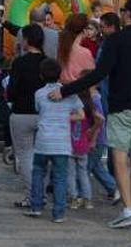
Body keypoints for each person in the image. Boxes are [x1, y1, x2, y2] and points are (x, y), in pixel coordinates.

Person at [49, 0, 131, 229]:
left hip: (122, 107)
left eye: (123, 10)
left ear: (128, 14)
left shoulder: (116, 40)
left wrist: (66, 89)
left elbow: (98, 73)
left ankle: (128, 209)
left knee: (120, 157)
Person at [26, 58, 84, 223]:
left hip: (43, 140)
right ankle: (59, 213)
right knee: (60, 177)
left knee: (38, 172)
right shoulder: (70, 93)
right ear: (60, 74)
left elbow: (39, 110)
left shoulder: (39, 94)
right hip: (62, 142)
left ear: (41, 76)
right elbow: (81, 115)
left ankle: (36, 206)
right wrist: (66, 117)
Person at [7, 23, 47, 208]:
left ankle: (32, 195)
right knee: (42, 156)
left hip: (22, 112)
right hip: (44, 114)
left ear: (27, 40)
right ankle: (42, 193)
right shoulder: (47, 62)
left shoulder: (19, 63)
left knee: (25, 156)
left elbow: (11, 91)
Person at [68, 75, 101, 211]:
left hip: (69, 145)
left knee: (70, 174)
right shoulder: (90, 108)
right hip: (83, 145)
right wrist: (92, 134)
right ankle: (87, 200)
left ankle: (74, 199)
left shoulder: (72, 107)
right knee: (83, 173)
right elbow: (101, 119)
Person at [88, 84, 118, 202]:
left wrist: (94, 140)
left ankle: (82, 194)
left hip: (97, 140)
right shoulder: (97, 98)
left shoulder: (94, 100)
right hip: (99, 140)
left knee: (87, 168)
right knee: (96, 167)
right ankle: (113, 188)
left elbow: (100, 120)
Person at [58, 14, 95, 83]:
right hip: (78, 90)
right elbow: (91, 76)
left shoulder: (61, 47)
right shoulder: (85, 52)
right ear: (84, 30)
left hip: (62, 89)